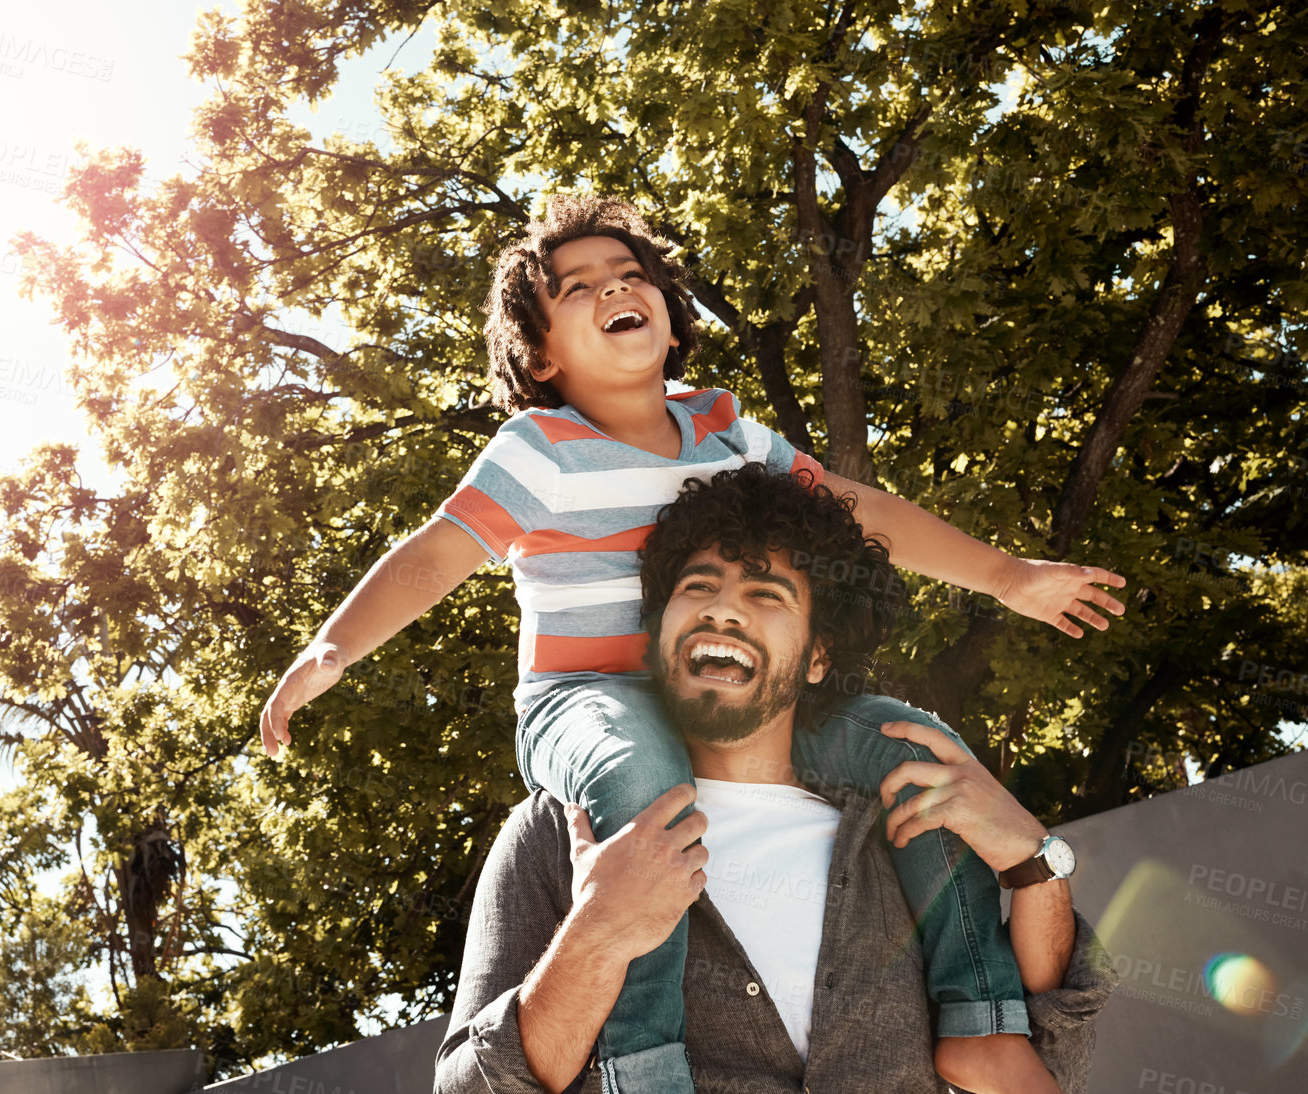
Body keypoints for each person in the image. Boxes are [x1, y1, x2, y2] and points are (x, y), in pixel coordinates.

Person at [260, 196, 1126, 1093]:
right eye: (579, 286)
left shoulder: (725, 435)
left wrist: (1007, 577)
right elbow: (434, 555)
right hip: (587, 703)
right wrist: (333, 650)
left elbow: (857, 510)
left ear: (671, 320)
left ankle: (980, 1017)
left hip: (716, 710)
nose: (615, 289)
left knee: (914, 748)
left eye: (632, 277)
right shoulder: (540, 450)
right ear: (542, 353)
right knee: (645, 785)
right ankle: (643, 1062)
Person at [432, 465, 1117, 1093]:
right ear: (658, 630)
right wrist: (598, 934)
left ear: (819, 657)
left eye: (765, 594)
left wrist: (1035, 861)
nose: (722, 610)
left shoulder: (903, 823)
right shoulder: (562, 830)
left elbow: (1047, 1062)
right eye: (697, 586)